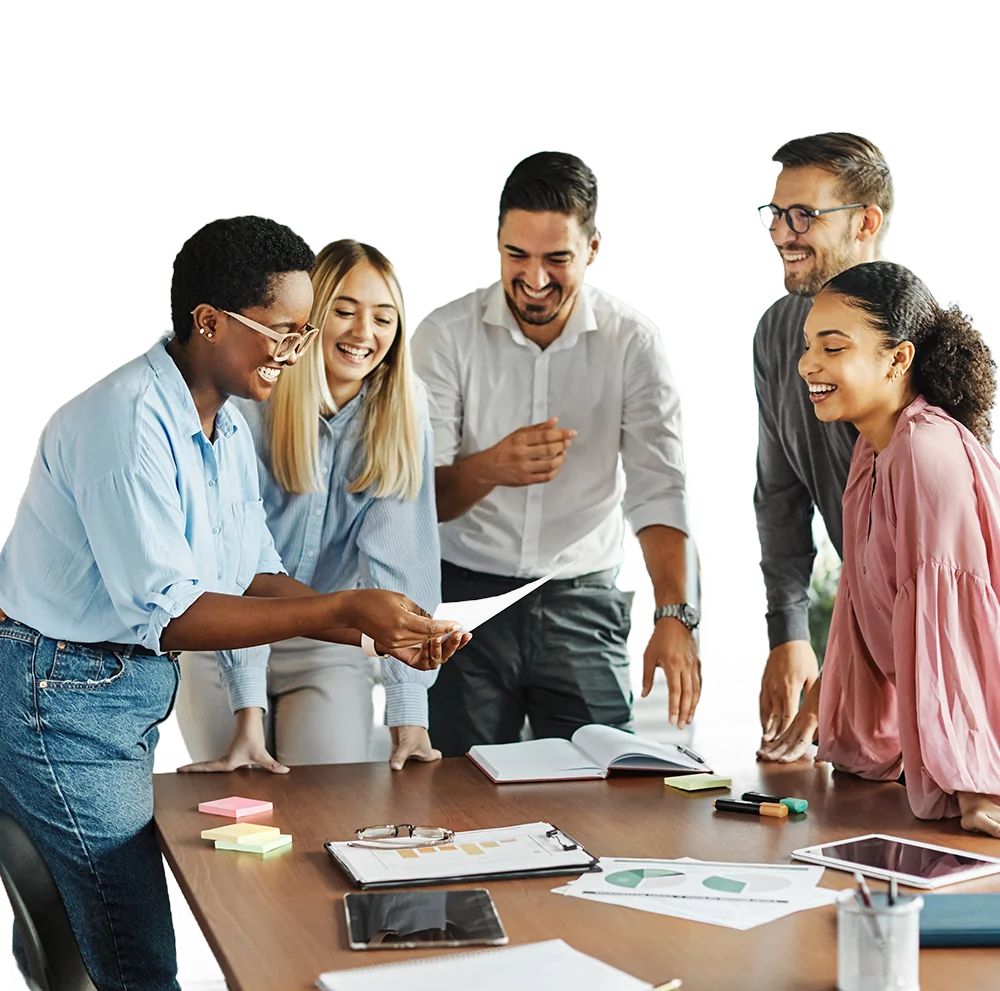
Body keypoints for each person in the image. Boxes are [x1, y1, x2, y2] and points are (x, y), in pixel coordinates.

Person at [0, 215, 464, 991]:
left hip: (113, 689)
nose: (298, 348)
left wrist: (364, 618)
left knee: (117, 929)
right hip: (64, 696)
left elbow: (252, 571)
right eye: (282, 329)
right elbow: (174, 613)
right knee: (135, 950)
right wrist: (339, 610)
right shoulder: (128, 424)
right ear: (208, 322)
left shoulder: (221, 429)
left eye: (302, 330)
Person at [410, 150, 701, 758]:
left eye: (557, 258)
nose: (535, 278)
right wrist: (491, 467)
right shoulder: (443, 337)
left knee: (605, 784)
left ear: (593, 249)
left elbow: (658, 485)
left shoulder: (632, 343)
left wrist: (674, 613)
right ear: (497, 242)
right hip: (464, 598)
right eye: (516, 255)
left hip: (581, 598)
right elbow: (418, 501)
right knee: (457, 793)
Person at [176, 238, 458, 773]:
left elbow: (402, 562)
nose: (363, 334)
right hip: (226, 641)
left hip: (328, 642)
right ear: (307, 320)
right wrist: (247, 712)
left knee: (329, 802)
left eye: (383, 317)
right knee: (234, 810)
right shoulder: (253, 399)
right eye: (344, 312)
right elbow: (237, 569)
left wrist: (409, 714)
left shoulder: (402, 409)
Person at [786, 260, 1000, 835]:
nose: (809, 365)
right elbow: (861, 603)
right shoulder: (874, 450)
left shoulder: (926, 453)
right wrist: (838, 719)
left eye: (833, 348)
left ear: (898, 358)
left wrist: (979, 784)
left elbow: (957, 626)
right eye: (810, 346)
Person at [751, 132, 894, 750]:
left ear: (865, 222)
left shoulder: (920, 344)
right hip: (869, 638)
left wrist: (839, 671)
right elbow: (778, 495)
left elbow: (929, 564)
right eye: (776, 214)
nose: (783, 233)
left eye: (804, 215)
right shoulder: (777, 332)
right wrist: (789, 632)